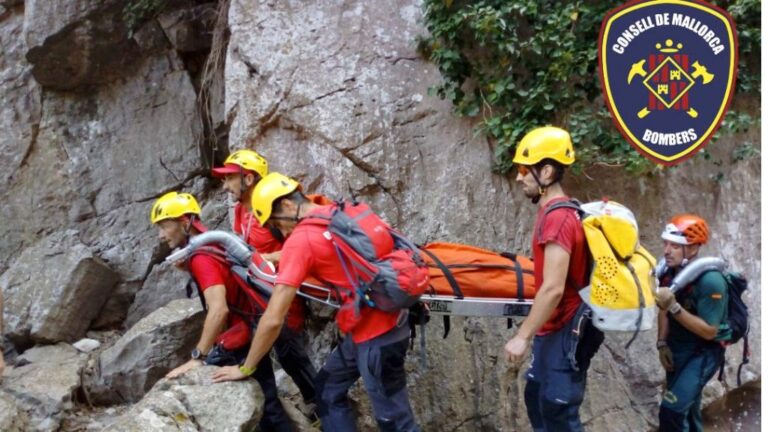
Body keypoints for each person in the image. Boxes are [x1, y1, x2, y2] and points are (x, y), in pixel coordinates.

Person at [212, 172, 420, 432]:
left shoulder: (301, 240)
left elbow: (274, 318)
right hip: (379, 324)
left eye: (276, 223)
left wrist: (246, 367)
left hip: (378, 337)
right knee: (327, 390)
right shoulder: (339, 211)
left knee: (396, 422)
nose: (280, 231)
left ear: (288, 206)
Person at [150, 191, 295, 432]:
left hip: (240, 337)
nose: (161, 235)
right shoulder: (212, 242)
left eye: (165, 226)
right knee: (268, 402)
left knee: (266, 409)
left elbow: (218, 310)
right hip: (251, 327)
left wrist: (198, 358)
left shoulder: (201, 258)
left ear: (184, 223)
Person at [503, 126, 604, 431]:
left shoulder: (558, 218)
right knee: (538, 403)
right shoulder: (560, 212)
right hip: (554, 330)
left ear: (546, 172)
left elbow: (553, 288)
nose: (519, 177)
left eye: (523, 169)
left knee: (559, 416)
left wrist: (522, 336)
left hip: (565, 330)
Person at [211, 149, 319, 410]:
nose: (225, 186)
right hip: (256, 292)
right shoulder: (240, 211)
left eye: (230, 179)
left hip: (283, 294)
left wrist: (267, 257)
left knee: (290, 353)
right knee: (282, 351)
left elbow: (303, 248)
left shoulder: (272, 212)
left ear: (248, 179)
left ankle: (320, 405)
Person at [655, 214, 729, 432]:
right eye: (666, 243)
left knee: (672, 411)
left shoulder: (710, 281)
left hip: (703, 353)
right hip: (677, 350)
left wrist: (675, 307)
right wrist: (662, 343)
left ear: (694, 248)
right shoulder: (669, 272)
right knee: (689, 412)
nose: (667, 250)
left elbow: (709, 331)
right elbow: (663, 307)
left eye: (675, 246)